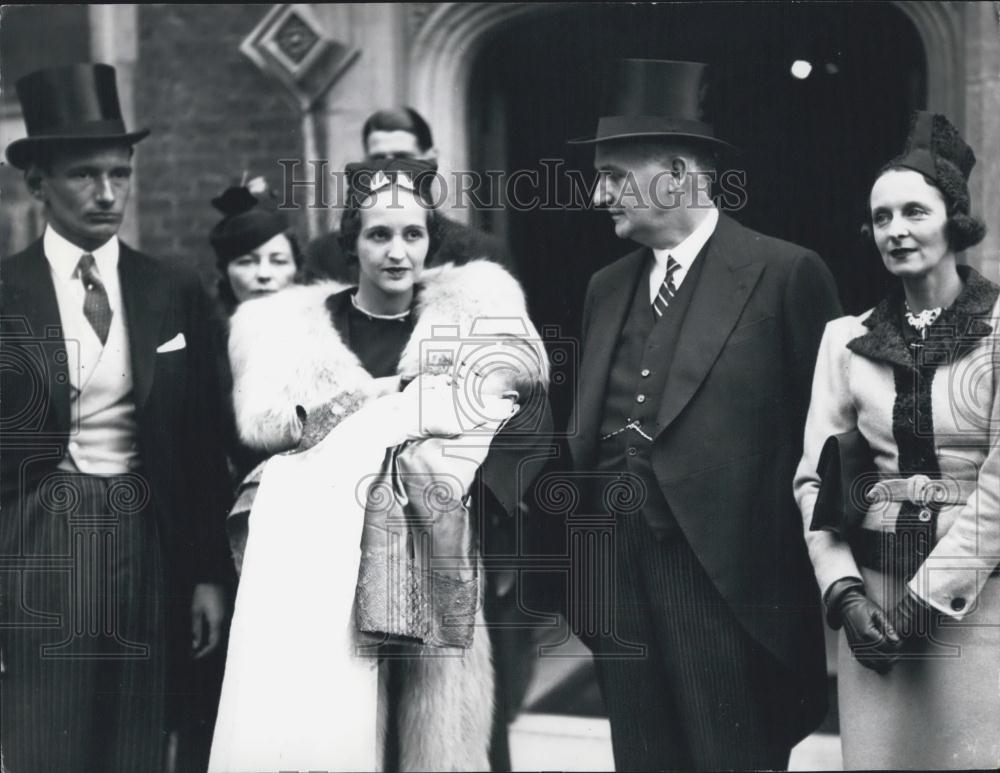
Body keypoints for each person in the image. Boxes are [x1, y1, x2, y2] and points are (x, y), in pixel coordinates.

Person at [208, 158, 551, 772]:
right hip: (325, 566)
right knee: (338, 728)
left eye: (412, 235)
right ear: (350, 242)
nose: (397, 252)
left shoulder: (475, 323)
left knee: (436, 733)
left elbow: (523, 427)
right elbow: (266, 441)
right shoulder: (294, 330)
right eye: (378, 235)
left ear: (431, 240)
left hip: (441, 550)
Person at [565, 59, 841, 770]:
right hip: (617, 579)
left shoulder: (785, 273)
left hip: (731, 589)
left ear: (681, 171)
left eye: (615, 176)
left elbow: (829, 442)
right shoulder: (604, 286)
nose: (599, 195)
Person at [0, 63, 232, 772]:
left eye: (120, 172)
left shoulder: (170, 288)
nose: (107, 193)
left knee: (136, 737)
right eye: (83, 175)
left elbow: (202, 443)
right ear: (38, 181)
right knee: (45, 737)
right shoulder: (6, 291)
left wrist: (205, 574)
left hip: (144, 532)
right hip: (36, 538)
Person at [794, 111, 998, 769]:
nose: (896, 230)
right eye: (882, 218)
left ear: (955, 220)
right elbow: (815, 481)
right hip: (874, 610)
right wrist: (845, 594)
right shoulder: (845, 339)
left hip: (978, 603)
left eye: (914, 211)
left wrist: (930, 596)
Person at [303, 106, 513, 282]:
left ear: (431, 159)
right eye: (378, 158)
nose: (390, 167)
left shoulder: (480, 253)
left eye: (403, 157)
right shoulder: (326, 255)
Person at [209, 176, 304, 485]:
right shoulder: (206, 338)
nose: (264, 275)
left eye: (278, 261)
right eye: (247, 262)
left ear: (296, 268)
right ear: (225, 271)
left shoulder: (317, 331)